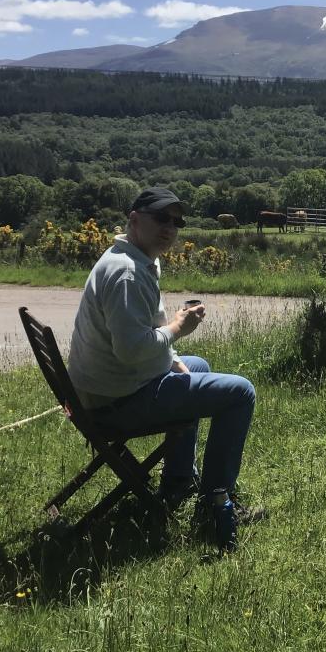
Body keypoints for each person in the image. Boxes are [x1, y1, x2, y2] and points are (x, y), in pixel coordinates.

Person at [67, 186, 260, 549]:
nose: (170, 227)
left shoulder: (133, 258)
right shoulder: (126, 274)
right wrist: (177, 328)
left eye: (176, 221)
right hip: (115, 403)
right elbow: (131, 350)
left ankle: (178, 483)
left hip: (106, 389)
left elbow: (136, 340)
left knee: (196, 364)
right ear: (134, 220)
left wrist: (170, 357)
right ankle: (214, 502)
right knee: (240, 392)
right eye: (161, 218)